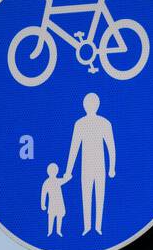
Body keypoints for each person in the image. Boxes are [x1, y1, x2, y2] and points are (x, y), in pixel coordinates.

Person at [63, 93, 116, 234]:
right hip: (86, 166)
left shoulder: (104, 123)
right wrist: (68, 171)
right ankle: (87, 227)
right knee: (86, 196)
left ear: (97, 105)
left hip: (99, 166)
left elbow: (111, 147)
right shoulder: (80, 124)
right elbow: (73, 149)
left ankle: (98, 226)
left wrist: (112, 167)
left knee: (99, 196)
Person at [40, 162, 69, 237]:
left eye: (55, 171)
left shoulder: (57, 180)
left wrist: (68, 176)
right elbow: (43, 194)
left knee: (59, 216)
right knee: (51, 217)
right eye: (52, 171)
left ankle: (58, 231)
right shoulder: (47, 182)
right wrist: (43, 204)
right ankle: (50, 231)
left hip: (59, 203)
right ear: (48, 172)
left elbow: (64, 180)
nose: (53, 172)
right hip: (52, 204)